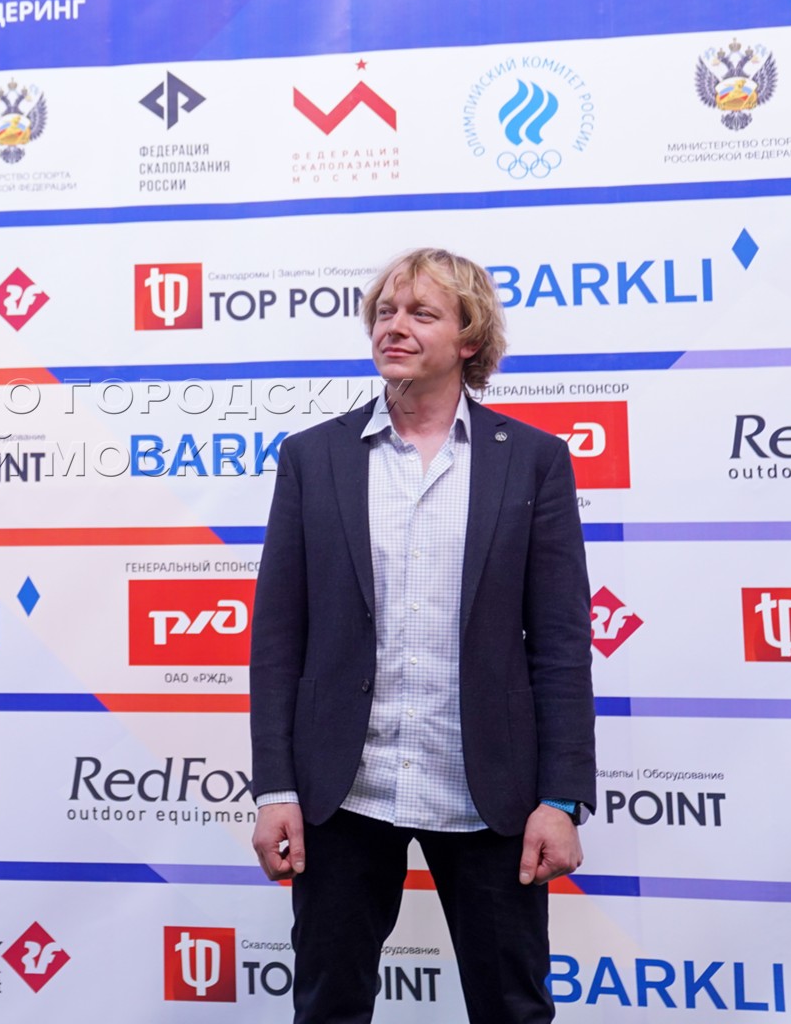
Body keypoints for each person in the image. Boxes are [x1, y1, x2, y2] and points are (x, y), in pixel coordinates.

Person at [249, 247, 596, 1023]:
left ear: (469, 339)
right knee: (328, 1008)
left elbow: (562, 647)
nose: (394, 327)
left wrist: (561, 799)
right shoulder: (313, 457)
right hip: (343, 793)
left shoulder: (533, 461)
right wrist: (275, 789)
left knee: (513, 1009)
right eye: (385, 312)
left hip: (490, 794)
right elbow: (276, 642)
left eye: (421, 313)